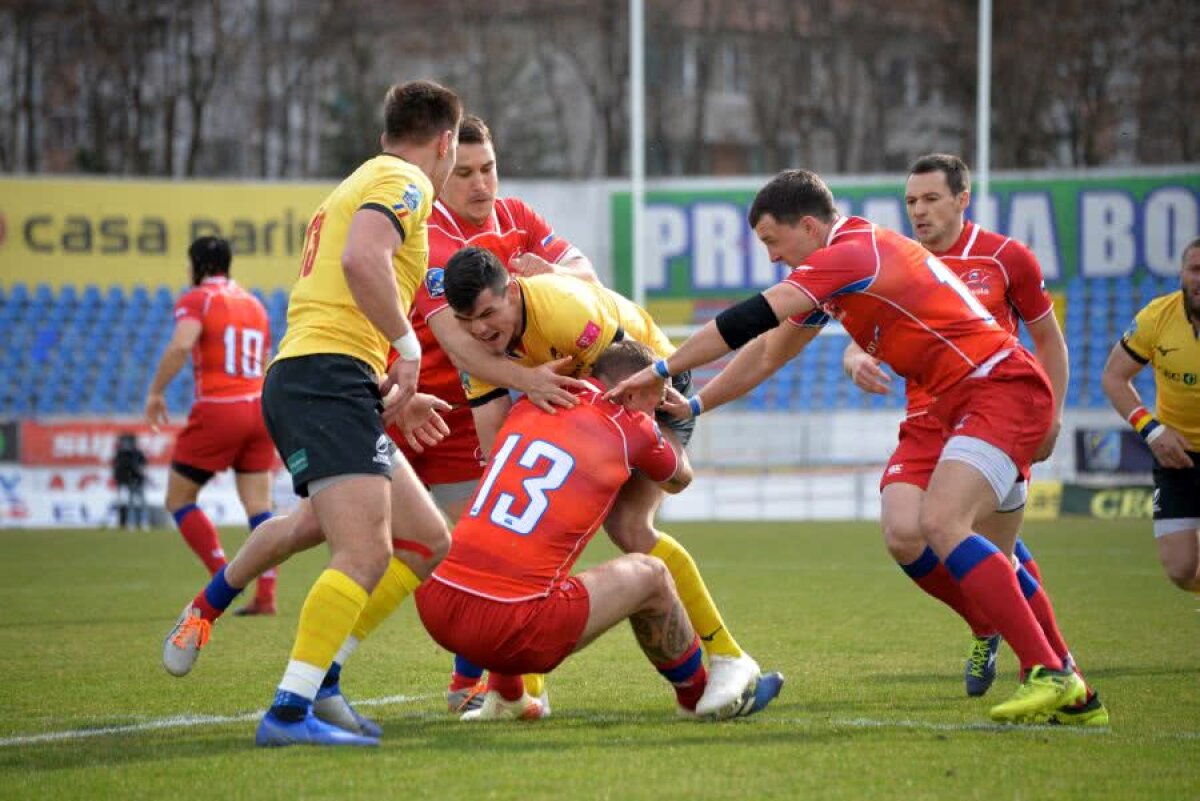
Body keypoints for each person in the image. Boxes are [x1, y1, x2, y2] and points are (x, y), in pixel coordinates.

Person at [608, 168, 1097, 725]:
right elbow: (768, 353)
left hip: (995, 386)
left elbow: (750, 318)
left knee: (945, 523)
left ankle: (1051, 671)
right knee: (905, 528)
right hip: (943, 404)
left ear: (811, 227)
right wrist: (696, 404)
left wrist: (664, 368)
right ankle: (1066, 688)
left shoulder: (852, 251)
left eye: (773, 241)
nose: (771, 256)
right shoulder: (835, 274)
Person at [166, 80, 463, 748]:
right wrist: (410, 350)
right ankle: (290, 711)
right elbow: (363, 261)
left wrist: (394, 384)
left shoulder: (362, 177)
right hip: (324, 377)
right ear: (444, 142)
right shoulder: (405, 181)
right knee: (363, 548)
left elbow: (349, 288)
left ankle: (275, 649)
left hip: (329, 374)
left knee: (423, 539)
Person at [441, 246, 770, 718]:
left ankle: (726, 655)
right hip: (590, 403)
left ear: (512, 292)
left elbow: (623, 380)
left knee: (630, 528)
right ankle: (510, 693)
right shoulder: (476, 346)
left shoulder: (564, 314)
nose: (479, 329)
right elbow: (496, 448)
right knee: (525, 524)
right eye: (466, 319)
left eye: (489, 313)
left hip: (652, 383)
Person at [842, 154, 1095, 715]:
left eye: (931, 199)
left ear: (962, 198)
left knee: (975, 538)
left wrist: (1051, 415)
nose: (919, 211)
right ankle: (988, 624)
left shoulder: (1006, 257)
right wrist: (854, 354)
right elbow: (870, 328)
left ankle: (1056, 671)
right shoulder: (894, 260)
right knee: (905, 534)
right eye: (911, 202)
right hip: (927, 419)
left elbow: (1048, 340)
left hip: (992, 410)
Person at [398, 114, 600, 710]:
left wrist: (554, 276)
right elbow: (462, 346)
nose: (481, 185)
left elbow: (585, 276)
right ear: (439, 175)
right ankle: (317, 677)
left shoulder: (517, 216)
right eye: (463, 173)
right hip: (414, 404)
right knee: (375, 553)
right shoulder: (429, 235)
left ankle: (478, 684)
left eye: (487, 168)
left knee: (474, 550)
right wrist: (528, 378)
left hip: (472, 414)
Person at [144, 236, 278, 615]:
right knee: (259, 507)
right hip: (259, 407)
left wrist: (155, 393)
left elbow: (182, 344)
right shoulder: (255, 304)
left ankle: (224, 581)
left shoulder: (197, 298)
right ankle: (266, 596)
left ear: (199, 265)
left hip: (220, 407)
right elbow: (267, 359)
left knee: (178, 498)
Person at [1101, 237, 1200, 597]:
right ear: (1181, 275)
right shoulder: (1156, 318)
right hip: (1176, 456)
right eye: (1195, 270)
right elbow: (1113, 377)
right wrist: (1152, 430)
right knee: (1181, 569)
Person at [111, 432, 148, 530]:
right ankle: (126, 523)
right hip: (126, 482)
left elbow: (143, 466)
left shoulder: (137, 453)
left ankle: (140, 523)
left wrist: (141, 473)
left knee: (139, 503)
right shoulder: (120, 454)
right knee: (127, 503)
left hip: (137, 482)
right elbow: (117, 469)